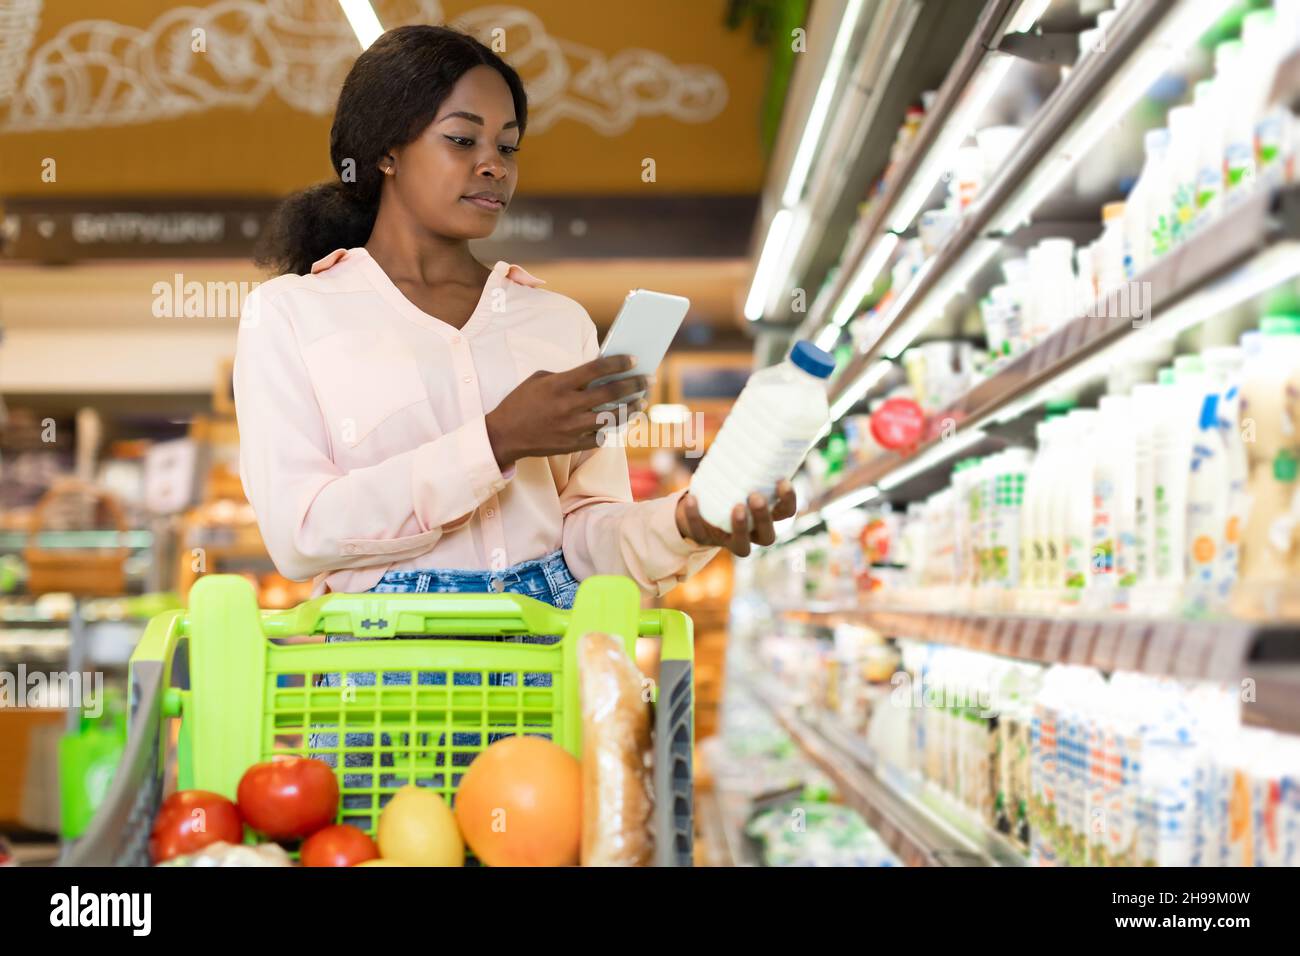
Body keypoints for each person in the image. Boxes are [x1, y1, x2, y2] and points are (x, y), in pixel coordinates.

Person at [235, 24, 794, 633]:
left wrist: (685, 523)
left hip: (544, 657)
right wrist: (497, 440)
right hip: (376, 674)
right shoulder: (292, 313)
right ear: (385, 151)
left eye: (507, 147)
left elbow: (585, 539)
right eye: (461, 139)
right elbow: (301, 535)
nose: (492, 166)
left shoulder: (558, 323)